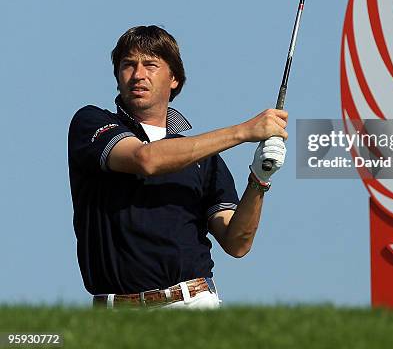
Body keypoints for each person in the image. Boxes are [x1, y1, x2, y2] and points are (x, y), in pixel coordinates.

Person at [68, 25, 287, 310]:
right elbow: (147, 160)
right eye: (128, 65)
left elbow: (237, 242)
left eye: (150, 65)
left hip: (190, 306)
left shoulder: (204, 158)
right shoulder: (92, 123)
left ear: (174, 78)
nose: (138, 75)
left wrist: (259, 179)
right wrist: (243, 132)